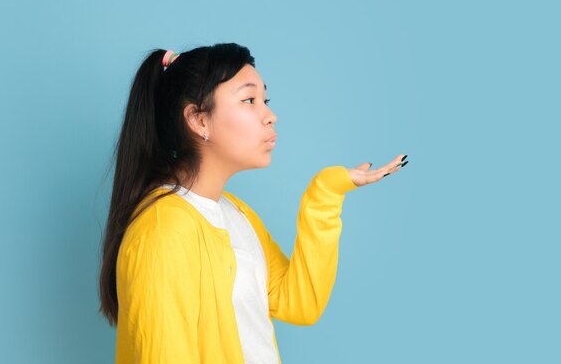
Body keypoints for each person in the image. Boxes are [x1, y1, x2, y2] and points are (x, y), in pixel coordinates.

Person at [97, 42, 409, 364]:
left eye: (265, 100)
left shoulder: (235, 213)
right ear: (199, 120)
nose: (270, 115)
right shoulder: (164, 232)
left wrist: (326, 194)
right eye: (249, 100)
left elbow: (298, 302)